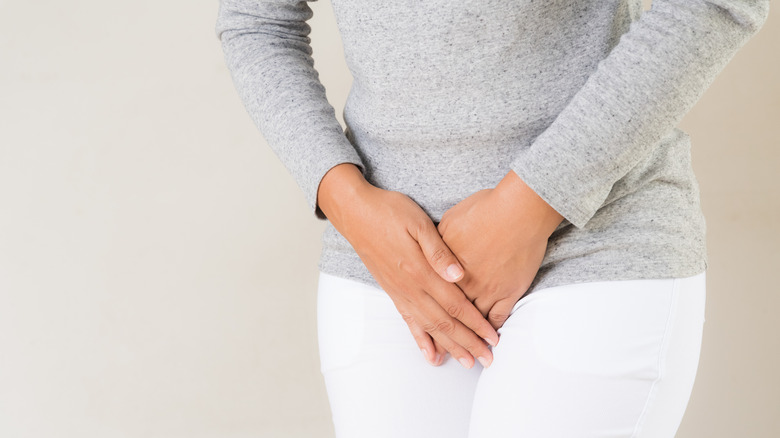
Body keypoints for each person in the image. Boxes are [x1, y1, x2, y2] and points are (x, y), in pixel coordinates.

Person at [214, 0, 769, 436]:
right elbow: (256, 22)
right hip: (386, 270)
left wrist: (531, 203)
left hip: (594, 244)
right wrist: (348, 204)